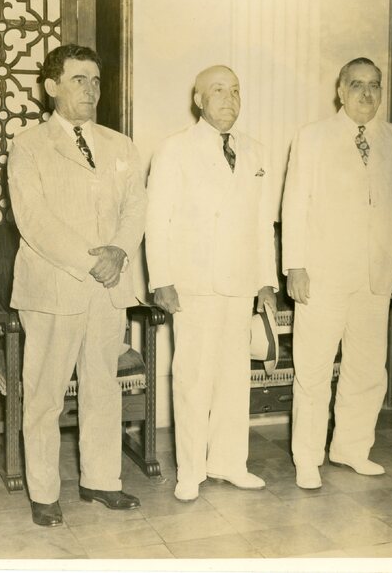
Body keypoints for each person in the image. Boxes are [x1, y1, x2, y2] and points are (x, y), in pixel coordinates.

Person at [8, 44, 146, 527]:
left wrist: (119, 251)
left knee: (102, 385)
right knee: (44, 393)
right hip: (54, 286)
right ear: (52, 87)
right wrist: (92, 262)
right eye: (78, 80)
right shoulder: (28, 145)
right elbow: (34, 221)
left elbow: (136, 208)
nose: (91, 90)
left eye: (95, 81)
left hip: (109, 287)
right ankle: (45, 492)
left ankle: (101, 480)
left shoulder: (120, 145)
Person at [282, 57, 392, 490]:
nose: (366, 93)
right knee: (313, 370)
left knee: (367, 370)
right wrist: (295, 266)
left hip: (375, 278)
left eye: (374, 85)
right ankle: (307, 458)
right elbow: (295, 204)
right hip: (322, 277)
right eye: (357, 84)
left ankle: (351, 448)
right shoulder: (312, 137)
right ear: (340, 90)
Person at [145, 65, 277, 502]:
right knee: (193, 379)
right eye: (218, 90)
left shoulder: (255, 152)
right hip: (194, 283)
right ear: (198, 99)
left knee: (234, 378)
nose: (229, 99)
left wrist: (266, 280)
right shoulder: (175, 149)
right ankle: (191, 471)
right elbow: (157, 220)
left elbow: (262, 223)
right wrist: (162, 279)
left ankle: (229, 462)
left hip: (240, 282)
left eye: (235, 91)